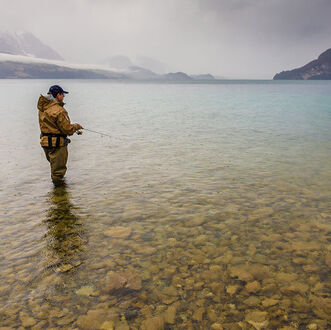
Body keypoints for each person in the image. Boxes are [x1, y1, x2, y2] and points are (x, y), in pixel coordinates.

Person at [38, 85, 83, 185]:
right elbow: (67, 129)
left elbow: (50, 125)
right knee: (58, 173)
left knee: (54, 167)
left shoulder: (42, 108)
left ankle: (56, 195)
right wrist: (76, 126)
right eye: (63, 95)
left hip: (45, 143)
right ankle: (59, 196)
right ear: (58, 95)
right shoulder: (59, 110)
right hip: (57, 145)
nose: (63, 97)